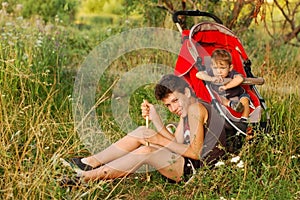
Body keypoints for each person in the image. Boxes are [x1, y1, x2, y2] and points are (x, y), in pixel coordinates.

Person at [63, 74, 226, 183]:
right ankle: (88, 162)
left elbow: (196, 152)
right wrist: (156, 120)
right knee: (143, 131)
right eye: (168, 105)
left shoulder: (195, 109)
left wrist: (158, 140)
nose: (173, 108)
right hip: (183, 161)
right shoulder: (187, 111)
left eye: (175, 100)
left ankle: (84, 178)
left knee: (147, 152)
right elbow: (176, 143)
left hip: (196, 170)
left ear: (187, 92)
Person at [196, 49, 250, 123]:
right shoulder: (211, 74)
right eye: (215, 68)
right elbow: (198, 74)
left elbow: (240, 78)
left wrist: (226, 87)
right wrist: (211, 78)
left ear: (230, 68)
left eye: (222, 68)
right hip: (223, 98)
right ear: (212, 67)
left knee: (245, 100)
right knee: (218, 98)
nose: (219, 71)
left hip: (238, 95)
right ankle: (231, 104)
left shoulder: (232, 73)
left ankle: (244, 119)